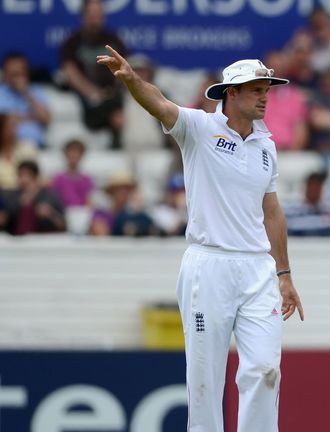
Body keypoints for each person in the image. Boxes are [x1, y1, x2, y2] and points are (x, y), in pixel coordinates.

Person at [97, 46, 304, 432]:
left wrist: (285, 274)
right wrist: (131, 79)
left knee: (265, 369)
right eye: (256, 90)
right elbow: (159, 103)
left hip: (258, 269)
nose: (265, 97)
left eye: (266, 90)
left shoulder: (266, 145)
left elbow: (272, 211)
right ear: (232, 93)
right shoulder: (199, 127)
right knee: (205, 379)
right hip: (208, 265)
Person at [60, 0, 128, 148]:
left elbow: (126, 67)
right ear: (83, 16)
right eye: (91, 15)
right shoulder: (73, 42)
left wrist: (114, 90)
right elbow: (70, 71)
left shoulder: (114, 41)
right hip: (88, 97)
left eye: (98, 15)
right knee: (110, 112)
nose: (95, 19)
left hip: (113, 94)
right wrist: (93, 92)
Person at [0, 52, 50, 149]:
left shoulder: (37, 91)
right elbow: (4, 121)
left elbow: (45, 118)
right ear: (5, 73)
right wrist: (32, 117)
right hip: (6, 146)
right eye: (13, 73)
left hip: (33, 145)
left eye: (19, 73)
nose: (16, 77)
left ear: (26, 72)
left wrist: (26, 93)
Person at [4, 160, 66, 235]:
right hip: (17, 240)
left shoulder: (50, 195)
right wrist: (33, 192)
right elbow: (6, 221)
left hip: (46, 238)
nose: (24, 180)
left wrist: (50, 214)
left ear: (36, 177)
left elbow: (63, 225)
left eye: (28, 175)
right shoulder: (11, 196)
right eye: (20, 175)